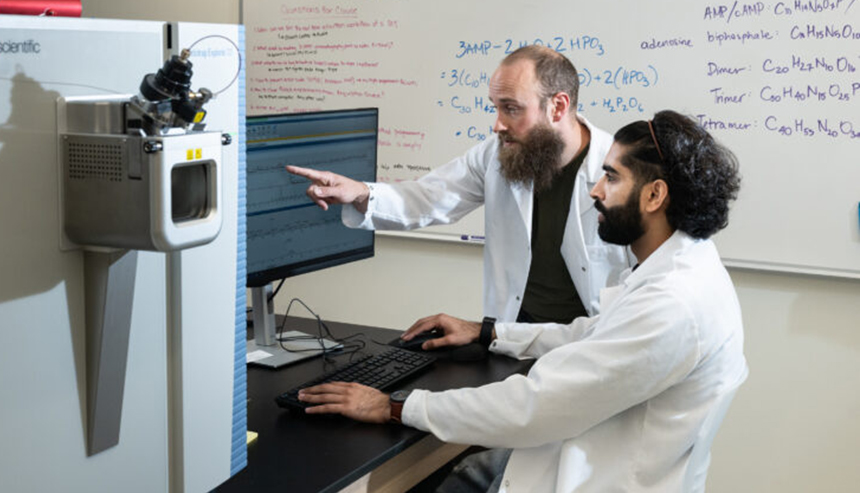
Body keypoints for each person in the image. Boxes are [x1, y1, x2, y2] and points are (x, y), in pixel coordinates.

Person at [297, 110, 747, 492]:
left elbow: (539, 405)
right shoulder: (685, 266)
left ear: (654, 195)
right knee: (452, 473)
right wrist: (490, 332)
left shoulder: (673, 303)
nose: (596, 191)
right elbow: (591, 333)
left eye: (611, 178)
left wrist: (394, 405)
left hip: (598, 471)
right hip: (589, 446)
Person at [287, 46, 630, 325]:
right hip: (512, 335)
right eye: (496, 108)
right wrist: (362, 192)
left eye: (511, 109)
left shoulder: (623, 172)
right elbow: (431, 197)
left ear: (558, 107)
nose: (497, 125)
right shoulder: (497, 155)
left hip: (590, 345)